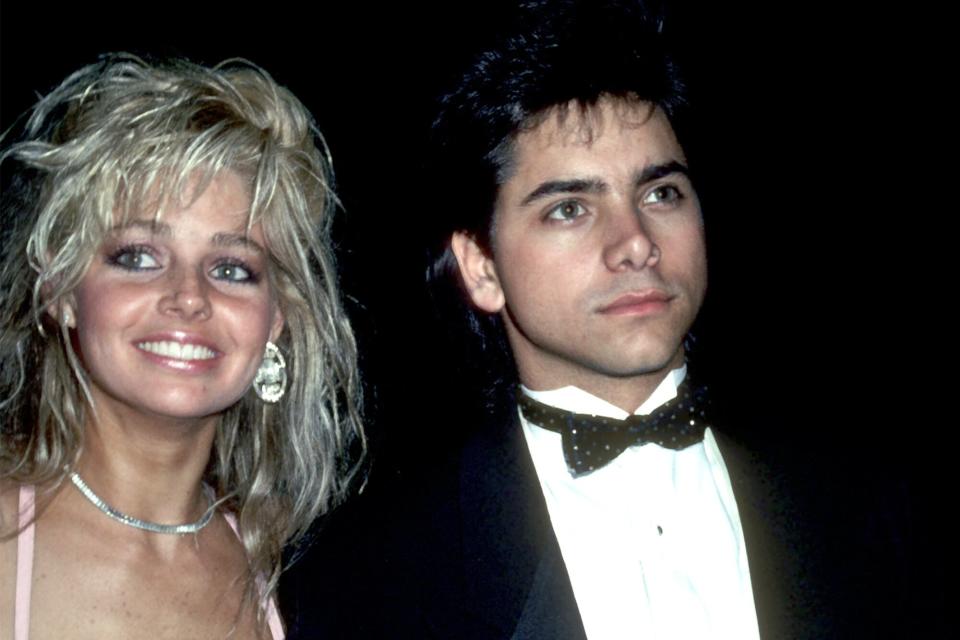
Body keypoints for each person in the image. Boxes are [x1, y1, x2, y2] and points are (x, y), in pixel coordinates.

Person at [280, 2, 919, 638]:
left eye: (660, 192)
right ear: (481, 267)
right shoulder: (376, 572)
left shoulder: (864, 503)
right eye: (569, 209)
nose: (635, 242)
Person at [0, 54, 363, 640]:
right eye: (138, 257)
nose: (188, 297)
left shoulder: (292, 574)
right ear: (62, 290)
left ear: (276, 319)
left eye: (232, 268)